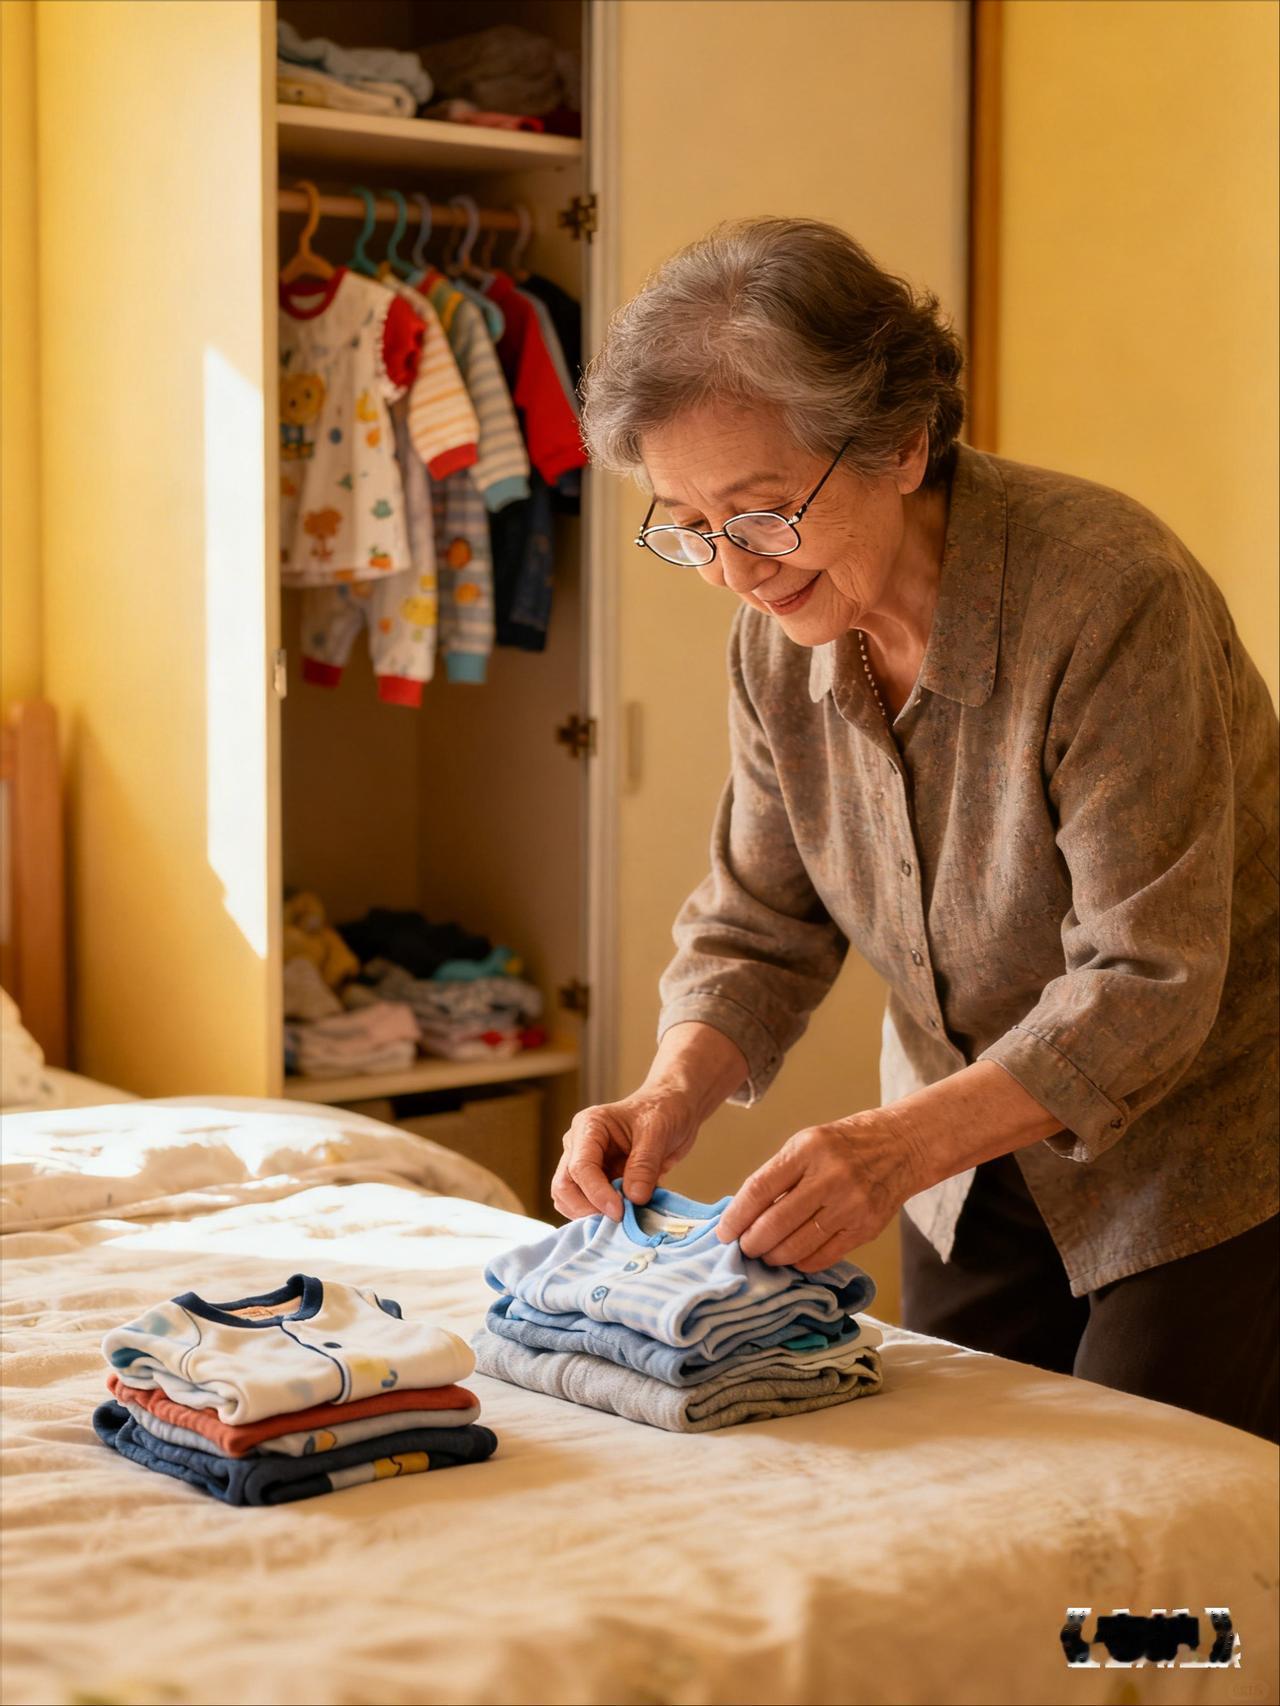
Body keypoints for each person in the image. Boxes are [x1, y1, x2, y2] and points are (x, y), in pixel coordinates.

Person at [556, 217, 1279, 1443]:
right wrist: (668, 1093)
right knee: (955, 1492)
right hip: (962, 1159)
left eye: (762, 512)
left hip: (1195, 1155)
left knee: (1149, 1507)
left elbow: (1147, 979)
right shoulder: (775, 640)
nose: (732, 570)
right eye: (687, 523)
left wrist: (888, 1149)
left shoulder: (1108, 595)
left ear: (899, 443)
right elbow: (758, 921)